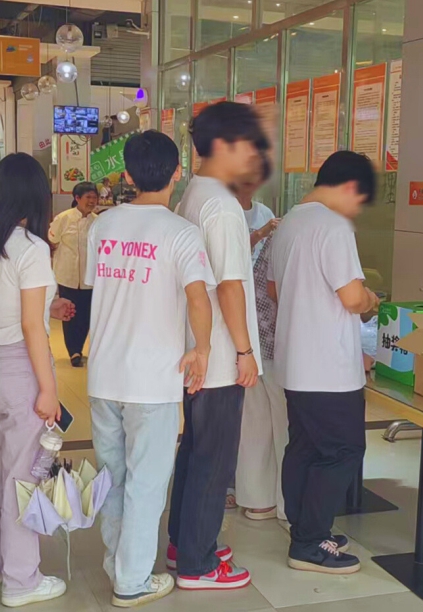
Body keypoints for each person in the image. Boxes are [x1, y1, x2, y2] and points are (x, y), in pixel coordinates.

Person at [84, 131, 215, 607]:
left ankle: (118, 563)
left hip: (103, 376)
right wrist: (202, 349)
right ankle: (132, 581)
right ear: (178, 172)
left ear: (127, 175)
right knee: (147, 483)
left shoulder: (102, 225)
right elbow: (198, 298)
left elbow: (95, 286)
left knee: (113, 477)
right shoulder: (181, 232)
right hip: (153, 379)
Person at [168, 101, 266, 591]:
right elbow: (229, 286)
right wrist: (245, 352)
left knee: (195, 449)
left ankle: (182, 542)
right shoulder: (222, 206)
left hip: (196, 347)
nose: (254, 155)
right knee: (214, 458)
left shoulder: (193, 193)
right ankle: (198, 563)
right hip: (222, 355)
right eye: (249, 144)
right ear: (224, 145)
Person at [268, 150, 379, 574]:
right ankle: (310, 543)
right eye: (360, 199)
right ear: (349, 187)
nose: (357, 209)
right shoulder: (333, 226)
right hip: (329, 367)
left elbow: (274, 290)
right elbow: (352, 297)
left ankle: (304, 530)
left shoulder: (290, 222)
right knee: (343, 451)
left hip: (294, 361)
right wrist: (371, 300)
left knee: (304, 447)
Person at [0, 153, 67, 607]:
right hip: (19, 367)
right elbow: (31, 326)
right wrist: (48, 388)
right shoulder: (33, 247)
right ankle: (22, 581)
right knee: (22, 476)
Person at [233, 154, 287, 523]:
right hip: (266, 338)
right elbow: (272, 288)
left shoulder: (270, 217)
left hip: (252, 333)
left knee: (254, 422)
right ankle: (284, 503)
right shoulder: (225, 211)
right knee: (279, 423)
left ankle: (257, 499)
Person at [48, 181, 98, 367]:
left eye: (94, 197)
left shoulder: (97, 222)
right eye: (88, 197)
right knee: (69, 313)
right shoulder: (64, 218)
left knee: (85, 314)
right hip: (67, 275)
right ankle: (73, 351)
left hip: (89, 277)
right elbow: (52, 240)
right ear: (77, 198)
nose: (92, 201)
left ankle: (80, 346)